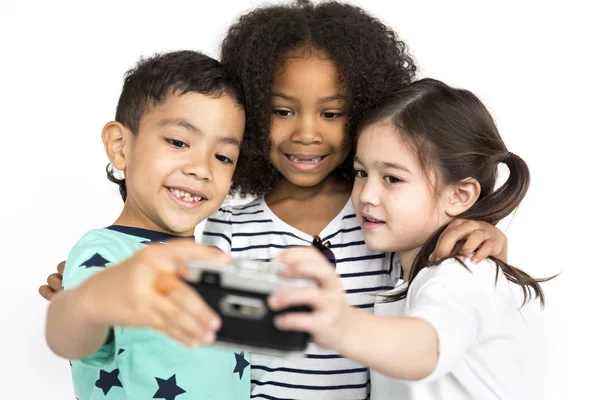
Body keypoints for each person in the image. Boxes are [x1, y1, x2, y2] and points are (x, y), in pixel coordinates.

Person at [201, 2, 509, 398]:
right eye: (282, 110)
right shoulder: (230, 227)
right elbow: (214, 353)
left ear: (363, 111)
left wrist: (485, 231)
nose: (307, 133)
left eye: (331, 114)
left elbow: (441, 271)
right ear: (253, 112)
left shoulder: (378, 217)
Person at [269, 78, 551, 400]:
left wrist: (342, 326)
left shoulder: (462, 274)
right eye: (361, 173)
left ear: (459, 195)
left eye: (392, 178)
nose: (366, 196)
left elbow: (426, 346)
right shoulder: (411, 274)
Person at [45, 50, 250, 399]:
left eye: (223, 157)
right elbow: (68, 335)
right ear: (120, 146)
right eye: (177, 142)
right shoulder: (104, 252)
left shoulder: (213, 263)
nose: (202, 168)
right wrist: (90, 301)